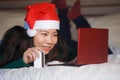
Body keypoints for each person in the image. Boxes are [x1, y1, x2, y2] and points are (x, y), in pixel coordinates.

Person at [0, 2, 75, 68]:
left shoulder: (56, 48)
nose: (50, 41)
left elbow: (75, 54)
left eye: (54, 35)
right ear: (31, 33)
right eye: (44, 34)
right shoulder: (14, 44)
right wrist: (23, 61)